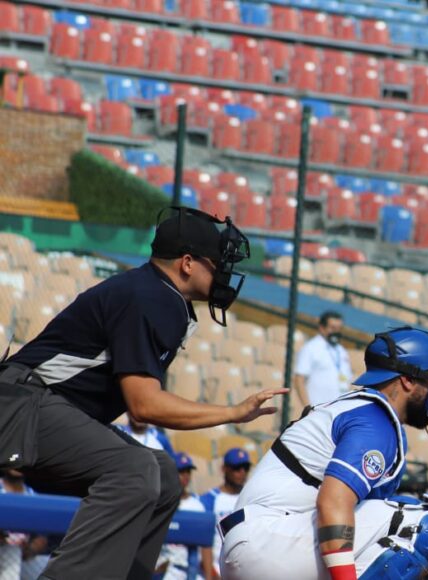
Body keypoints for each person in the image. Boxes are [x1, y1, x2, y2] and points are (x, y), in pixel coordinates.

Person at [0, 206, 287, 580]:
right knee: (135, 470)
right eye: (217, 264)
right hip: (21, 407)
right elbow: (144, 405)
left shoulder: (158, 294)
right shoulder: (149, 296)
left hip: (45, 412)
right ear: (187, 263)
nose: (224, 273)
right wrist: (233, 412)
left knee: (164, 476)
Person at [219, 327, 428, 579]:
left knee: (401, 511)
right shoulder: (375, 420)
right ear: (408, 380)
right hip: (268, 541)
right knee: (423, 527)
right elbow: (333, 502)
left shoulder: (358, 408)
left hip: (263, 542)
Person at [157, 452, 212, 580]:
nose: (186, 475)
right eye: (181, 471)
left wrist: (209, 577)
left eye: (188, 471)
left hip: (191, 570)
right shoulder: (159, 503)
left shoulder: (197, 504)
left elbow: (205, 545)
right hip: (166, 569)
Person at [201, 448, 252, 579]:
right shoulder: (209, 500)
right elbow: (203, 543)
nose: (242, 472)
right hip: (218, 571)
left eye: (246, 468)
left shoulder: (252, 498)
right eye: (237, 468)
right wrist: (212, 574)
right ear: (224, 469)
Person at [294, 311, 354, 407]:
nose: (336, 332)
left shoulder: (341, 350)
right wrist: (308, 408)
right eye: (333, 328)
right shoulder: (310, 348)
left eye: (339, 328)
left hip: (339, 409)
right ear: (322, 328)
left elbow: (348, 380)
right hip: (318, 408)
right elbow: (299, 379)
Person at [0, 469, 50, 580]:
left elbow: (41, 538)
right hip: (4, 551)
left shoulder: (33, 496)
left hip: (21, 557)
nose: (17, 466)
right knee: (11, 550)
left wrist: (30, 550)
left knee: (53, 565)